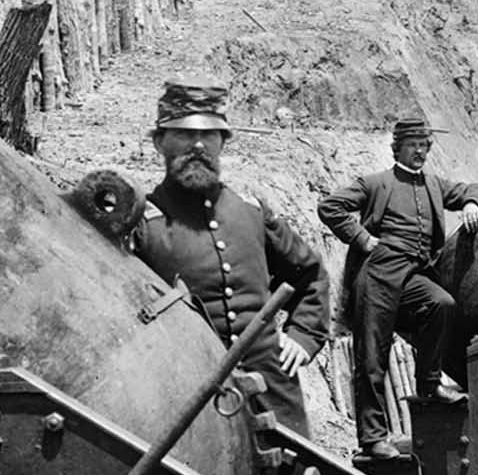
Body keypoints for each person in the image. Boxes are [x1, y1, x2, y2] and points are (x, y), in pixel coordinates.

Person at [132, 79, 330, 435]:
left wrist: (303, 337)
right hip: (185, 395)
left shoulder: (250, 213)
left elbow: (310, 273)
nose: (197, 145)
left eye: (209, 135)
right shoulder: (145, 223)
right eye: (183, 134)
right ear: (159, 142)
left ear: (223, 142)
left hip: (272, 390)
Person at [318, 118, 478, 460]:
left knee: (441, 303)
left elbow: (477, 189)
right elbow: (330, 207)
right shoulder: (376, 184)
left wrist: (473, 203)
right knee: (372, 357)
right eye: (413, 145)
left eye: (425, 146)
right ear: (397, 148)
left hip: (413, 277)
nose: (420, 152)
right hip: (378, 276)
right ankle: (373, 438)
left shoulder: (433, 185)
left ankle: (429, 386)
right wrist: (363, 238)